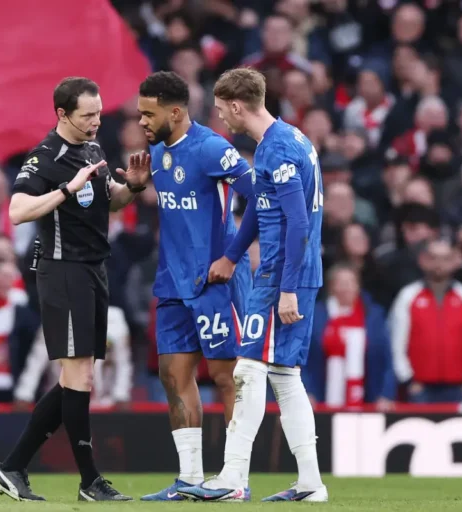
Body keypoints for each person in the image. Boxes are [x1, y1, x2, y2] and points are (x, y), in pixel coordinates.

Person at [0, 77, 151, 502]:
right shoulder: (45, 158)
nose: (97, 122)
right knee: (78, 376)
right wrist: (65, 189)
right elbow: (18, 210)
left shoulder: (91, 148)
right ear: (62, 114)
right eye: (87, 115)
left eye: (98, 113)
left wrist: (131, 186)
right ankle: (89, 481)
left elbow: (108, 202)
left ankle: (13, 467)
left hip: (94, 268)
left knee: (79, 377)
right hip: (63, 270)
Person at [178, 68, 327, 502]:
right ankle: (311, 483)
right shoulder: (292, 138)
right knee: (284, 375)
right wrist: (232, 254)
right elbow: (265, 210)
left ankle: (231, 478)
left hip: (283, 274)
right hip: (296, 271)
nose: (222, 118)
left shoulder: (276, 150)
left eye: (223, 110)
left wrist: (286, 288)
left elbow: (298, 221)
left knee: (248, 370)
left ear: (238, 105)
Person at [134, 71, 255, 501]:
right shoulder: (157, 151)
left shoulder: (212, 148)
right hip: (172, 281)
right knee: (172, 375)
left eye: (149, 115)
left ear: (176, 111)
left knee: (226, 377)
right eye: (139, 114)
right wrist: (134, 187)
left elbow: (258, 194)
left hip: (214, 282)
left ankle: (236, 479)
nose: (142, 123)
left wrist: (232, 257)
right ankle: (189, 479)